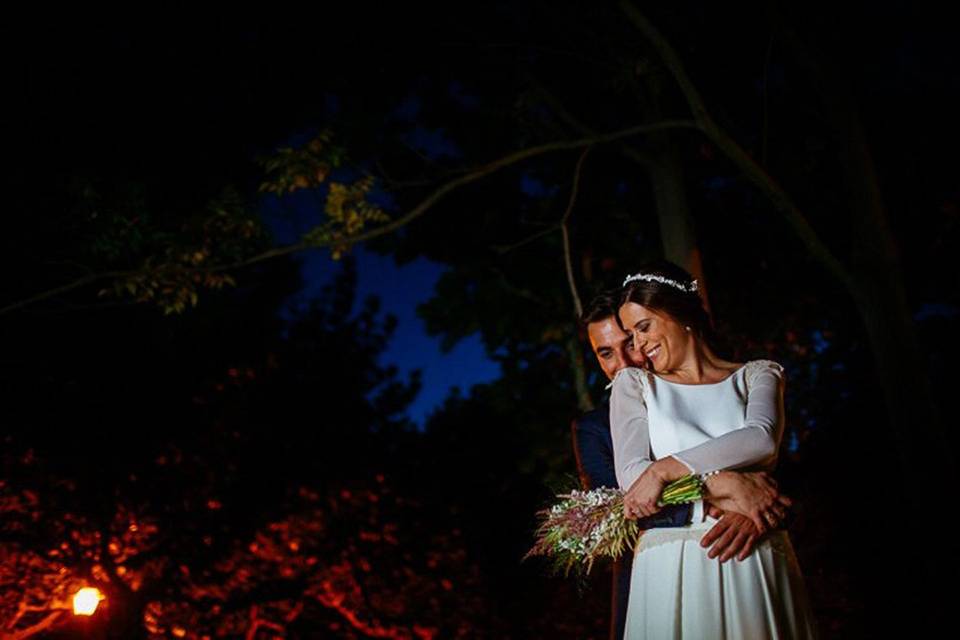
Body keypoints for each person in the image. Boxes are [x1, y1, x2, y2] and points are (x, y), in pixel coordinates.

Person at [610, 260, 819, 639]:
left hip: (751, 550)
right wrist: (726, 484)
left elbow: (760, 438)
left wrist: (663, 470)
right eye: (630, 335)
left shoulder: (758, 374)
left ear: (681, 314)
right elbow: (633, 482)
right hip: (673, 562)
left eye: (643, 327)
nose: (637, 346)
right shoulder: (635, 386)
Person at [572, 289, 795, 640]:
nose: (624, 361)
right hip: (663, 577)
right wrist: (719, 488)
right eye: (605, 353)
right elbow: (620, 505)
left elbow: (770, 464)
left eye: (630, 341)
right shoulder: (595, 427)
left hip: (751, 550)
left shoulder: (746, 380)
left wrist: (752, 510)